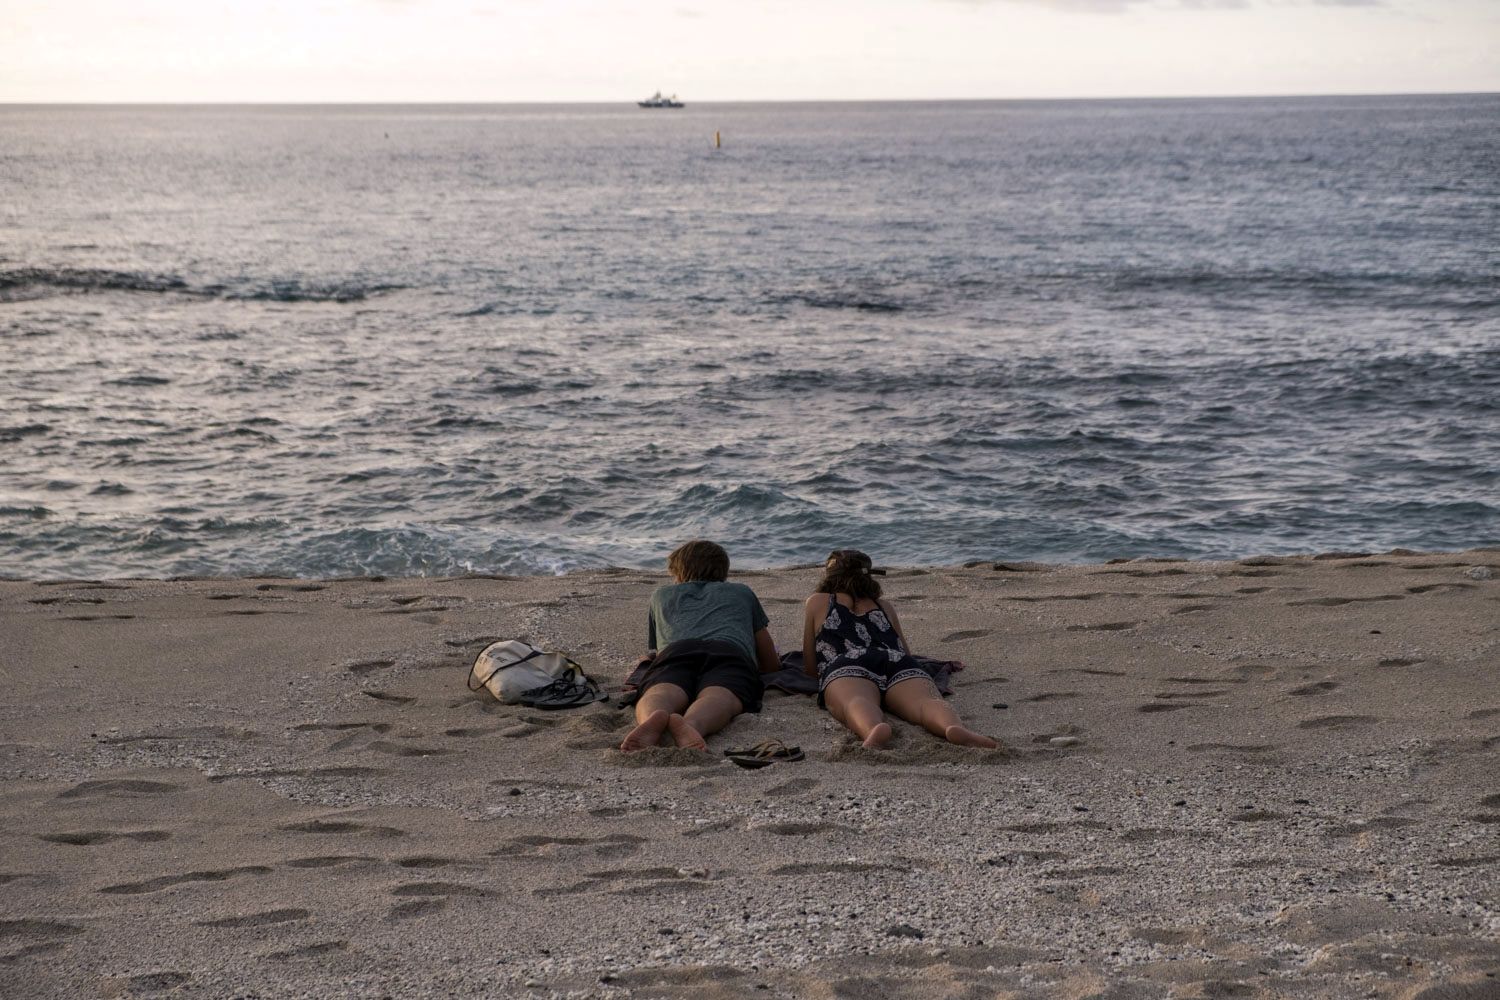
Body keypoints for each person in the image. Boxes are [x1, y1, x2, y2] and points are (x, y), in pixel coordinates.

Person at [803, 549, 996, 750]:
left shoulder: (818, 601)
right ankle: (951, 726)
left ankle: (873, 728)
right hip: (897, 661)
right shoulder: (884, 606)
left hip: (847, 662)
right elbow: (905, 652)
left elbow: (810, 665)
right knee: (925, 702)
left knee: (855, 700)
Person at [620, 540, 780, 752]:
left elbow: (660, 651)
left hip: (678, 650)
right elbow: (769, 662)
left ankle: (653, 716)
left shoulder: (661, 596)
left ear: (679, 572)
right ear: (723, 571)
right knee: (721, 695)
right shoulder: (742, 592)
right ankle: (692, 724)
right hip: (728, 651)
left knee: (662, 688)